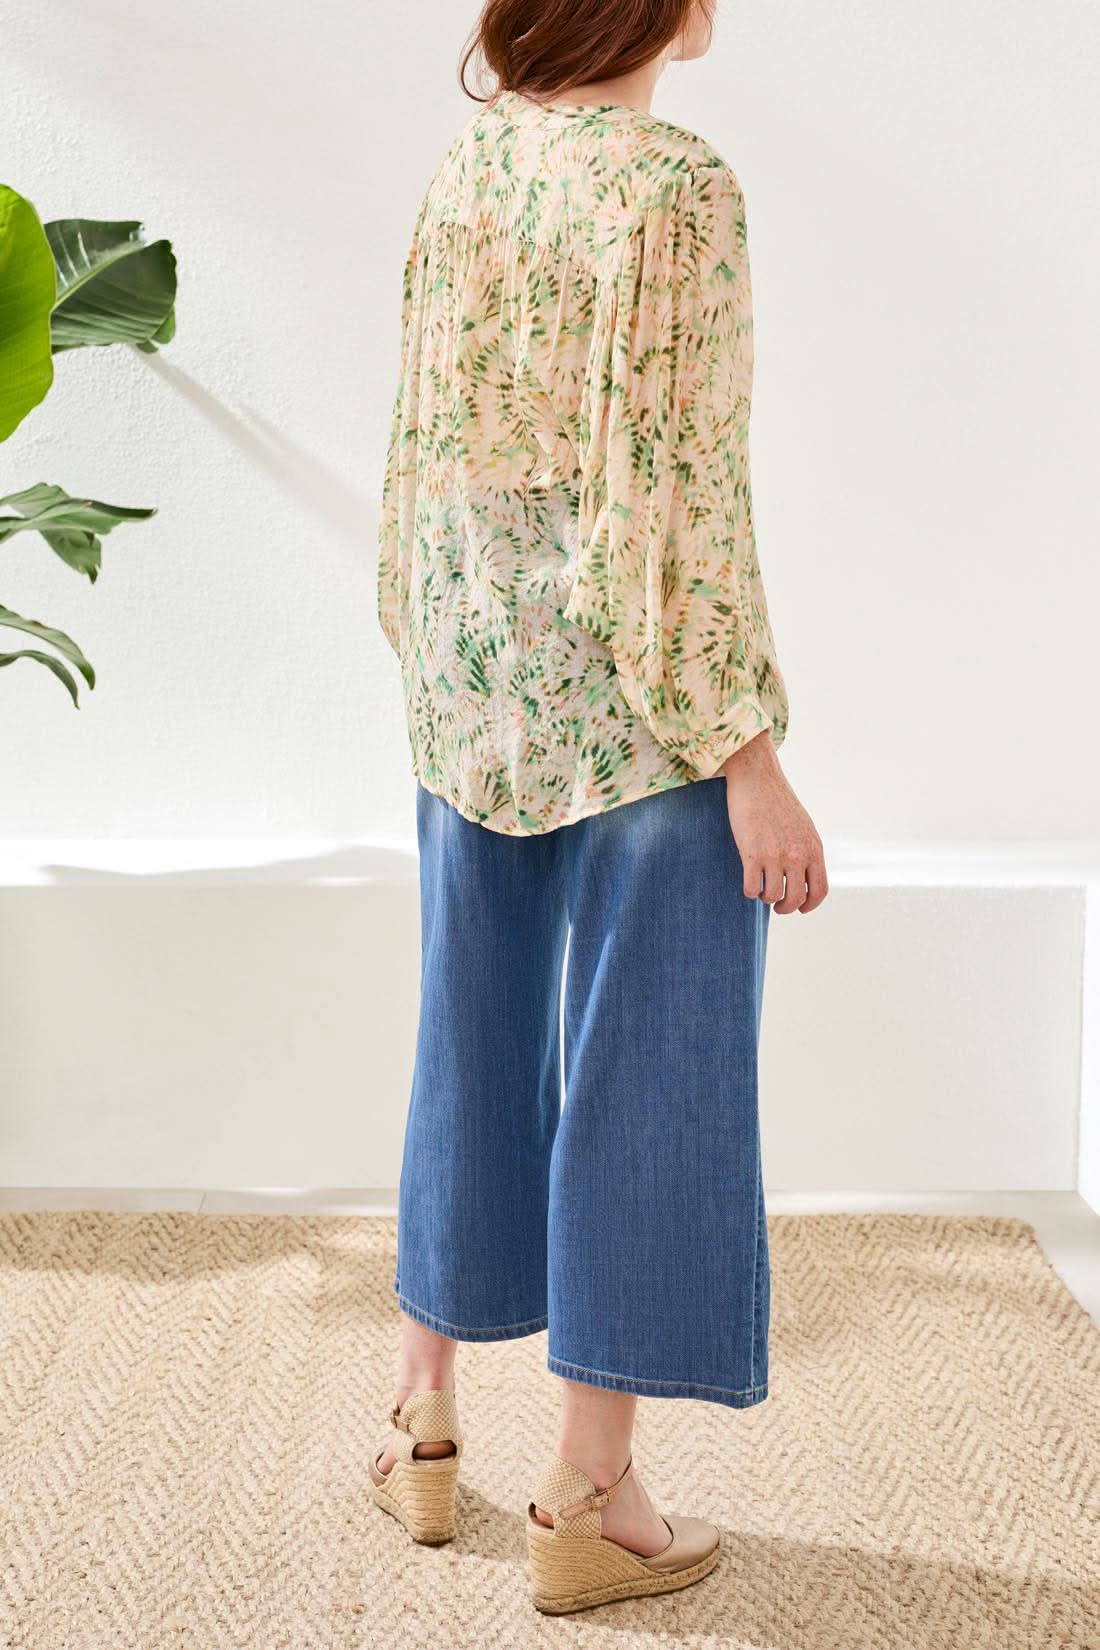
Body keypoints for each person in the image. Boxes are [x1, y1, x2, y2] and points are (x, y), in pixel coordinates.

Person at [369, 0, 828, 1615]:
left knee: (467, 1034)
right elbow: (679, 484)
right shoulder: (673, 185)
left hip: (474, 686)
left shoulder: (469, 165)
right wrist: (746, 749)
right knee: (653, 1073)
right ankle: (592, 1487)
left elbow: (424, 450)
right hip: (644, 716)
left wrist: (432, 654)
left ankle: (424, 1423)